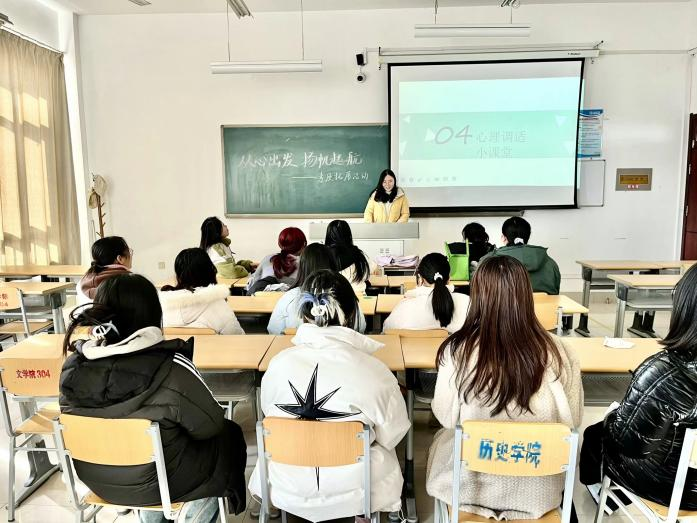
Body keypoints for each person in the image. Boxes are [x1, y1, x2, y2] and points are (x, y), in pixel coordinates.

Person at [59, 274, 247, 521]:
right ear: (154, 314)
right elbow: (210, 425)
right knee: (228, 436)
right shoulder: (171, 367)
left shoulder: (73, 367)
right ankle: (196, 513)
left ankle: (151, 516)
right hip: (163, 482)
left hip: (97, 480)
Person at [426, 256, 582, 520]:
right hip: (539, 490)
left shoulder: (458, 350)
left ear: (478, 296)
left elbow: (445, 417)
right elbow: (573, 420)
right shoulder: (560, 350)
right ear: (526, 294)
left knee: (443, 439)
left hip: (470, 487)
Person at [250, 270, 410, 521]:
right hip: (356, 490)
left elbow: (270, 412)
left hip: (287, 485)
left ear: (304, 315)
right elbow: (394, 434)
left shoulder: (278, 364)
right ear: (353, 314)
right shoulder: (374, 371)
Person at [579, 263, 697, 511]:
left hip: (674, 487)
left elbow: (630, 445)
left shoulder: (665, 374)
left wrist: (615, 416)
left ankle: (602, 491)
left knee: (595, 434)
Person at [267, 243, 367, 335]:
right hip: (342, 347)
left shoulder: (289, 297)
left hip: (298, 347)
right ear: (333, 265)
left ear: (302, 267)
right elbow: (360, 327)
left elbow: (274, 330)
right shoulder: (345, 293)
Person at [159, 248, 244, 334]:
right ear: (209, 272)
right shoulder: (217, 303)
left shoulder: (160, 307)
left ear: (178, 275)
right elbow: (237, 335)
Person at [382, 253, 469, 333]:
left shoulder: (403, 308)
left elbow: (387, 332)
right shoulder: (467, 303)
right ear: (449, 278)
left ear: (420, 279)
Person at [479, 216, 561, 295]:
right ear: (528, 237)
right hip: (542, 305)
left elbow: (479, 290)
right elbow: (555, 293)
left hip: (503, 305)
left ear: (504, 237)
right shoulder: (550, 263)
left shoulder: (487, 262)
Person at [245, 227, 306, 295]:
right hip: (293, 300)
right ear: (304, 244)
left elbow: (253, 283)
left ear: (279, 244)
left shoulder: (268, 259)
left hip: (262, 300)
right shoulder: (306, 263)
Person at [77, 236, 132, 305]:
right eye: (129, 251)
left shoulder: (82, 282)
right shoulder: (128, 282)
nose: (131, 255)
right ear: (120, 259)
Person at [324, 219, 375, 294]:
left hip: (331, 297)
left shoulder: (323, 255)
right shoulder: (358, 253)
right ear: (348, 235)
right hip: (358, 295)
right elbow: (367, 273)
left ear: (328, 235)